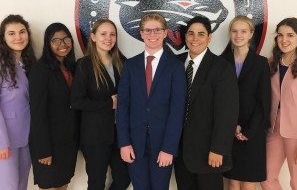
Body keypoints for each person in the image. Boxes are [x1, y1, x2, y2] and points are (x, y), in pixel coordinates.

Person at [116, 12, 186, 190]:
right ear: (141, 33)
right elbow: (123, 107)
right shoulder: (130, 66)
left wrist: (169, 148)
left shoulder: (175, 67)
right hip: (134, 143)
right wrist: (124, 143)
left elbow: (177, 111)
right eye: (147, 30)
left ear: (165, 33)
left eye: (157, 30)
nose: (152, 34)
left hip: (163, 145)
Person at [174, 16, 239, 190]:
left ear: (209, 38)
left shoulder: (222, 68)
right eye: (191, 34)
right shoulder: (175, 63)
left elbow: (227, 113)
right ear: (185, 37)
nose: (195, 39)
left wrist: (219, 149)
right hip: (180, 152)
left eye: (201, 34)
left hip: (209, 152)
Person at [71, 19, 130, 190]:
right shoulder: (84, 64)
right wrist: (108, 104)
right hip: (95, 136)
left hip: (119, 134)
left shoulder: (122, 63)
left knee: (123, 179)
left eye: (112, 34)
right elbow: (76, 101)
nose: (108, 38)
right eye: (103, 34)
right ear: (93, 37)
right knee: (97, 183)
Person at [221, 15, 271, 190]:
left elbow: (264, 102)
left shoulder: (261, 64)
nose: (238, 35)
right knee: (232, 183)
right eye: (234, 31)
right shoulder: (222, 61)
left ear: (251, 34)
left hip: (252, 133)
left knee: (248, 183)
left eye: (243, 31)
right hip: (228, 133)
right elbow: (219, 100)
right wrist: (230, 125)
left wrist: (248, 130)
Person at [29, 23, 79, 190]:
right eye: (56, 40)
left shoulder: (71, 67)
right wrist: (43, 150)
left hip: (67, 142)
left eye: (66, 39)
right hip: (48, 144)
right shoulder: (40, 70)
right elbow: (37, 113)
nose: (62, 44)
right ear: (48, 43)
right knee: (51, 185)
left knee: (63, 185)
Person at [261, 17, 297, 190]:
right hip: (274, 128)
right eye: (280, 35)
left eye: (290, 35)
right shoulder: (271, 63)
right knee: (266, 177)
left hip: (296, 132)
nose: (284, 40)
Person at [0, 14, 36, 190]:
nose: (18, 37)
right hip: (6, 139)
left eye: (22, 32)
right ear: (3, 37)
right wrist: (1, 142)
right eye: (11, 33)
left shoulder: (28, 62)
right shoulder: (1, 64)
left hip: (27, 135)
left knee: (21, 185)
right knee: (9, 186)